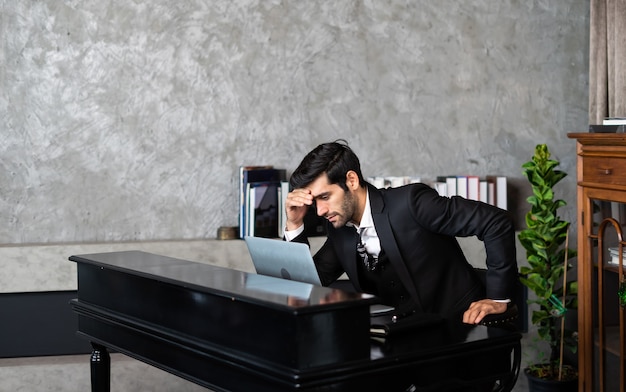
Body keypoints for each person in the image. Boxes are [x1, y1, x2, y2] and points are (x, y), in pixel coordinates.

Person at [284, 140, 518, 324]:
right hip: (400, 340)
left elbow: (495, 222)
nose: (321, 210)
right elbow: (306, 285)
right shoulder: (339, 229)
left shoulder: (411, 203)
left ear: (352, 180)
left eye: (325, 197)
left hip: (460, 329)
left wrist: (498, 298)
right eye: (314, 202)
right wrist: (294, 225)